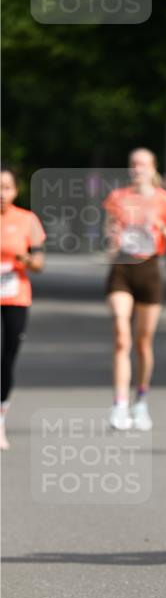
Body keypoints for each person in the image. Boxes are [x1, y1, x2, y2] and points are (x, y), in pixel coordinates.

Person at [103, 148, 166, 431]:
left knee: (142, 342)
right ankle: (119, 404)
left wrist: (161, 226)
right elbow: (109, 239)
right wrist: (113, 238)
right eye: (133, 164)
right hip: (122, 269)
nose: (137, 169)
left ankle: (141, 400)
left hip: (150, 270)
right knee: (121, 336)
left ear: (153, 168)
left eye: (143, 164)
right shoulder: (117, 198)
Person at [0, 167, 46, 450]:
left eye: (6, 187)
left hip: (15, 297)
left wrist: (24, 258)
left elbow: (40, 264)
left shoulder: (27, 220)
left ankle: (1, 418)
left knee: (7, 359)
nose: (1, 193)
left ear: (15, 191)